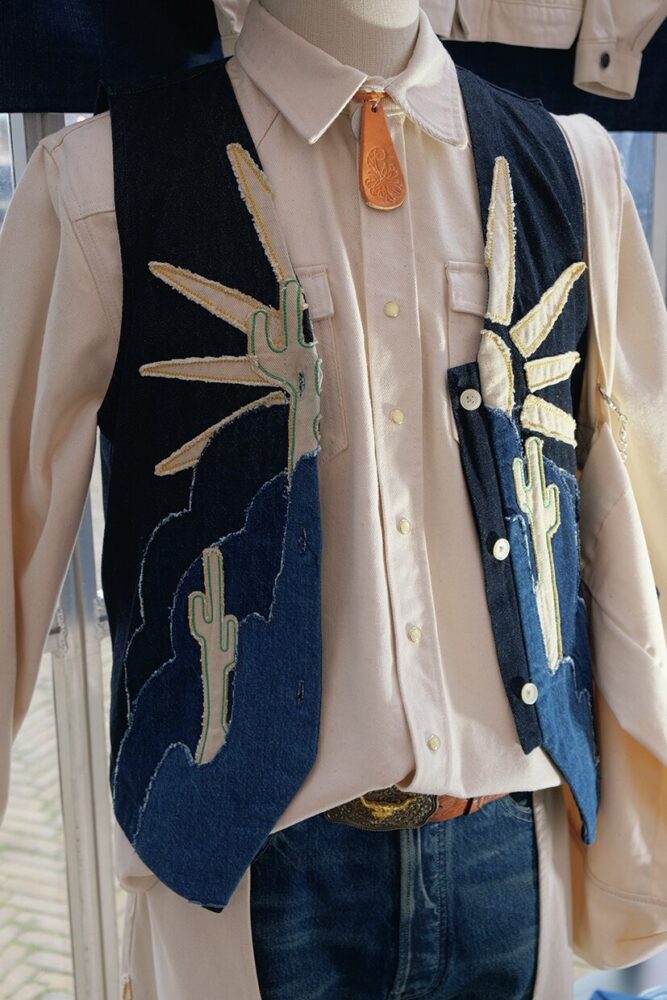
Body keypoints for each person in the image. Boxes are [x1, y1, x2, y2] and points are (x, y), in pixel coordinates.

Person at [1, 1, 667, 997]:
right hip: (247, 874)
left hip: (506, 858)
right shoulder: (100, 182)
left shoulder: (572, 166)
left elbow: (628, 508)